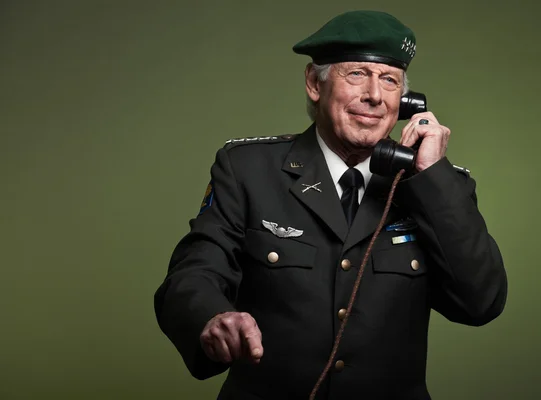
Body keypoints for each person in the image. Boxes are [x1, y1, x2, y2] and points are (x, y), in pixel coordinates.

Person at [154, 10, 508, 400]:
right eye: (357, 74)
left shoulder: (440, 186)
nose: (374, 95)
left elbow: (481, 303)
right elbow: (193, 273)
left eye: (389, 80)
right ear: (313, 83)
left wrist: (432, 179)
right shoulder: (248, 169)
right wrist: (212, 317)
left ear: (405, 101)